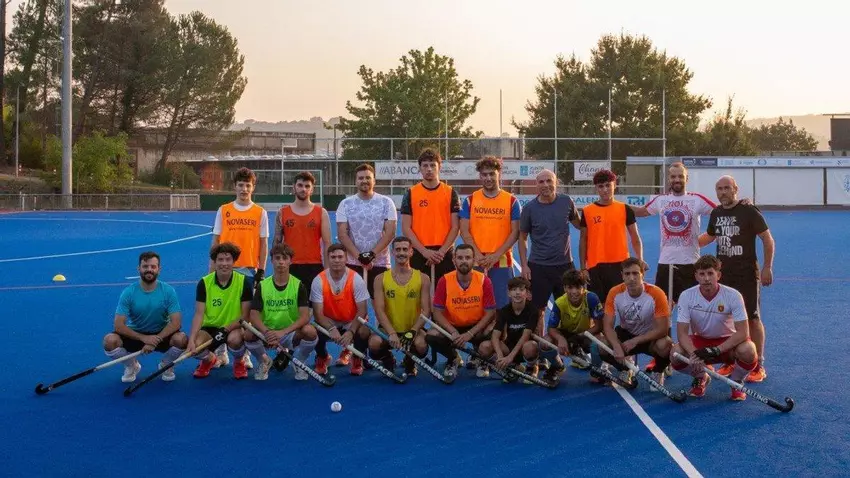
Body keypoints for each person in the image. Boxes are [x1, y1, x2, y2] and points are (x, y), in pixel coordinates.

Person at [630, 161, 715, 373]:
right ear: (669, 179)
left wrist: (741, 204)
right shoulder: (661, 200)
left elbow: (721, 212)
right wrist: (614, 203)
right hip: (666, 264)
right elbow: (640, 211)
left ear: (686, 178)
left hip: (691, 266)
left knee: (695, 313)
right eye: (673, 176)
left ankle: (696, 355)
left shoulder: (696, 200)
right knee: (663, 313)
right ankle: (663, 357)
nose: (677, 180)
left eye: (680, 176)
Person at [699, 175, 775, 382]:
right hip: (724, 276)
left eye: (727, 188)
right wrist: (686, 243)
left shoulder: (749, 211)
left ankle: (758, 364)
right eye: (719, 189)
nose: (723, 192)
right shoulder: (716, 213)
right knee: (727, 319)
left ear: (735, 189)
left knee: (752, 318)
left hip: (747, 275)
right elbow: (710, 236)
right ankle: (731, 361)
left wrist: (767, 267)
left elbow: (767, 239)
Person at [670, 255, 759, 401]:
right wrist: (694, 354)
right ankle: (701, 377)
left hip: (728, 342)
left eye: (710, 273)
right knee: (675, 353)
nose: (706, 278)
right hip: (701, 341)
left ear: (718, 275)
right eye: (702, 274)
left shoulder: (733, 295)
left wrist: (717, 350)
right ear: (696, 276)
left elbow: (743, 332)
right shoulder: (686, 296)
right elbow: (682, 333)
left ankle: (736, 381)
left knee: (749, 350)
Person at [209, 167, 269, 369]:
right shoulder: (224, 210)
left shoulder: (260, 212)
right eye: (241, 185)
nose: (244, 189)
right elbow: (216, 241)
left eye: (248, 185)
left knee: (246, 314)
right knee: (222, 310)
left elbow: (263, 244)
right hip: (225, 269)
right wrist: (211, 270)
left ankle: (245, 354)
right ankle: (221, 352)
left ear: (253, 187)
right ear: (234, 186)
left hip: (248, 269)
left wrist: (261, 270)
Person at [102, 251, 188, 383]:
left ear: (159, 269)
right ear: (139, 268)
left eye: (153, 266)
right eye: (145, 266)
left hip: (161, 333)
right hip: (137, 334)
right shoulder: (129, 292)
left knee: (181, 339)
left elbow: (176, 323)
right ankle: (132, 365)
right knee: (109, 341)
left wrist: (155, 340)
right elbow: (118, 325)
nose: (149, 270)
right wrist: (144, 338)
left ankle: (166, 365)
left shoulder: (168, 291)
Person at [244, 243, 317, 381]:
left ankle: (299, 361)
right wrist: (266, 332)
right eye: (277, 258)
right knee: (248, 334)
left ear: (290, 261)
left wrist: (283, 332)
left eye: (285, 258)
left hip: (290, 333)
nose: (281, 262)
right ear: (272, 261)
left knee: (310, 331)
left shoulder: (298, 285)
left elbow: (304, 317)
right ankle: (264, 361)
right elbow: (253, 315)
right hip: (268, 333)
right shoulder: (263, 285)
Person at [596, 257, 673, 386]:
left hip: (650, 336)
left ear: (642, 274)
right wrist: (616, 346)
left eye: (635, 273)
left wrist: (636, 340)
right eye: (627, 274)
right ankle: (625, 369)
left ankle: (658, 371)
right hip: (626, 334)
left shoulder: (656, 293)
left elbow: (663, 329)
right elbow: (608, 326)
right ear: (622, 275)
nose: (631, 278)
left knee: (665, 345)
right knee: (603, 345)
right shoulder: (614, 292)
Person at [518, 168, 581, 323]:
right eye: (541, 182)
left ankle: (566, 337)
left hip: (565, 266)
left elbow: (580, 225)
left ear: (556, 183)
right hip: (538, 267)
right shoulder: (529, 209)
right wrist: (524, 265)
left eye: (549, 181)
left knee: (569, 307)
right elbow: (522, 238)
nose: (545, 185)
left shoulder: (567, 202)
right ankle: (539, 338)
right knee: (537, 310)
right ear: (536, 185)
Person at [426, 244, 497, 379]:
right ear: (454, 260)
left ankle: (482, 358)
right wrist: (453, 331)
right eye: (460, 258)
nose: (464, 261)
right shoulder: (444, 280)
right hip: (453, 326)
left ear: (473, 260)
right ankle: (453, 358)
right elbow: (437, 312)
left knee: (493, 331)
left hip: (477, 326)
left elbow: (490, 313)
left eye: (467, 258)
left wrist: (470, 333)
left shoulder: (484, 280)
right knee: (432, 335)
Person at [459, 156, 521, 308]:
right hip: (476, 260)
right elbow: (464, 231)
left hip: (502, 261)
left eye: (492, 174)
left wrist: (496, 255)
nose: (488, 178)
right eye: (484, 174)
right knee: (476, 306)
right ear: (480, 176)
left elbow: (515, 233)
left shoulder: (512, 201)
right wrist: (478, 254)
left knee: (503, 306)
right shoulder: (470, 200)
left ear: (499, 174)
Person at [188, 243, 254, 379]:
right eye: (220, 260)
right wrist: (192, 339)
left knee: (235, 340)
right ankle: (210, 360)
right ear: (215, 261)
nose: (224, 263)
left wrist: (226, 329)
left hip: (234, 327)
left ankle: (239, 362)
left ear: (234, 261)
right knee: (196, 345)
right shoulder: (204, 283)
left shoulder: (244, 282)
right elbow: (199, 314)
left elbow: (245, 316)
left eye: (228, 259)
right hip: (210, 327)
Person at [367, 236, 431, 376]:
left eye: (405, 249)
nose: (401, 253)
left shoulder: (423, 278)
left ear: (411, 252)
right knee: (373, 344)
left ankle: (410, 361)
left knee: (421, 346)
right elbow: (379, 309)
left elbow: (426, 310)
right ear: (392, 252)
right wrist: (391, 333)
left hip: (412, 329)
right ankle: (388, 358)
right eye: (398, 249)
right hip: (388, 329)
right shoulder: (380, 279)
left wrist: (413, 331)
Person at [579, 169, 643, 305]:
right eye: (601, 186)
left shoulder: (625, 209)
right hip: (595, 266)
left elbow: (635, 237)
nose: (605, 189)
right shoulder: (587, 211)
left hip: (620, 265)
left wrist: (640, 260)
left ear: (615, 185)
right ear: (596, 188)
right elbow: (583, 240)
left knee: (622, 304)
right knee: (599, 306)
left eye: (608, 185)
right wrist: (583, 268)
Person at [400, 148, 461, 288]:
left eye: (433, 165)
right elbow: (406, 227)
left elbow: (455, 227)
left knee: (445, 295)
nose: (429, 169)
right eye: (425, 165)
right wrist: (424, 252)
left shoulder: (451, 193)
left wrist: (441, 252)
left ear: (440, 167)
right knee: (419, 296)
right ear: (420, 168)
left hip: (444, 253)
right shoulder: (410, 193)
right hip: (419, 253)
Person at [311, 243, 371, 376]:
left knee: (364, 330)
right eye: (333, 257)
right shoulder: (318, 280)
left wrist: (351, 331)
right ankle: (323, 357)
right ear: (328, 258)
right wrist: (331, 328)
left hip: (350, 320)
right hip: (329, 321)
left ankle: (357, 357)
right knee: (313, 331)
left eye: (340, 257)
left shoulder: (356, 279)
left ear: (346, 258)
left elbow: (362, 310)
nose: (337, 260)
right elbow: (318, 313)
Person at [272, 171, 332, 300]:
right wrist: (277, 266)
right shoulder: (282, 212)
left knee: (314, 307)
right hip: (289, 266)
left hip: (314, 267)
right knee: (290, 305)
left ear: (312, 189)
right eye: (300, 185)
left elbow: (327, 243)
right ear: (294, 187)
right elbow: (276, 242)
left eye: (307, 186)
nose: (303, 189)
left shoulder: (321, 213)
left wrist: (327, 271)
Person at [538, 269, 605, 381]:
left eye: (578, 287)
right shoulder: (560, 303)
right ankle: (558, 365)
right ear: (565, 288)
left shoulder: (591, 298)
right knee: (544, 343)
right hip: (566, 334)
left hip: (586, 334)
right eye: (570, 288)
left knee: (600, 342)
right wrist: (560, 339)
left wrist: (579, 336)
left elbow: (599, 326)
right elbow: (551, 328)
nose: (574, 292)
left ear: (584, 287)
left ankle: (596, 371)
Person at [480, 277, 540, 380]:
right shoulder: (504, 311)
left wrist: (510, 357)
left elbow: (525, 337)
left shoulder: (533, 311)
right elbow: (495, 336)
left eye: (521, 290)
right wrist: (500, 355)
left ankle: (532, 367)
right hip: (509, 347)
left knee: (530, 347)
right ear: (509, 293)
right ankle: (512, 366)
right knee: (484, 347)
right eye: (514, 290)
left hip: (525, 347)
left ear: (527, 294)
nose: (517, 293)